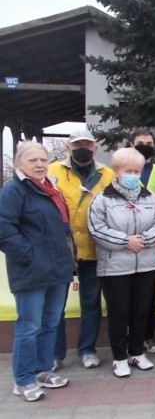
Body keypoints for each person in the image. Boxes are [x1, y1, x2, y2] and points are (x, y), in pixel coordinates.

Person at [0, 142, 74, 401]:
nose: (40, 164)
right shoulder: (14, 190)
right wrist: (31, 257)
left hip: (57, 270)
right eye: (33, 160)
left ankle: (43, 370)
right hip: (31, 272)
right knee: (29, 326)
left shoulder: (51, 189)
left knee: (50, 323)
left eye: (43, 159)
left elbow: (62, 229)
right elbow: (4, 230)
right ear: (19, 163)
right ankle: (22, 380)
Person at [88, 148, 155, 377]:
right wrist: (126, 242)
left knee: (141, 311)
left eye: (136, 171)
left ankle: (136, 352)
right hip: (114, 267)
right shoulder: (102, 199)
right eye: (128, 170)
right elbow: (97, 229)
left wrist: (141, 241)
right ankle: (120, 357)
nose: (133, 174)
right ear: (116, 171)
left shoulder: (151, 197)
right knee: (119, 313)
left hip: (146, 264)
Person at [49, 130, 116, 370]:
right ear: (68, 148)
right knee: (56, 304)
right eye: (77, 144)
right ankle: (55, 354)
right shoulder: (53, 171)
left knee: (90, 302)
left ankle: (87, 350)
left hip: (93, 249)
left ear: (95, 148)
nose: (83, 148)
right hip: (61, 249)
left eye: (87, 144)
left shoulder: (107, 174)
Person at [129, 128, 155, 355]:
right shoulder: (119, 170)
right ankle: (128, 338)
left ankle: (147, 337)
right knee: (127, 296)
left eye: (149, 142)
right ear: (131, 144)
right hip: (125, 242)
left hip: (152, 241)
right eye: (140, 142)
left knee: (148, 295)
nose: (145, 145)